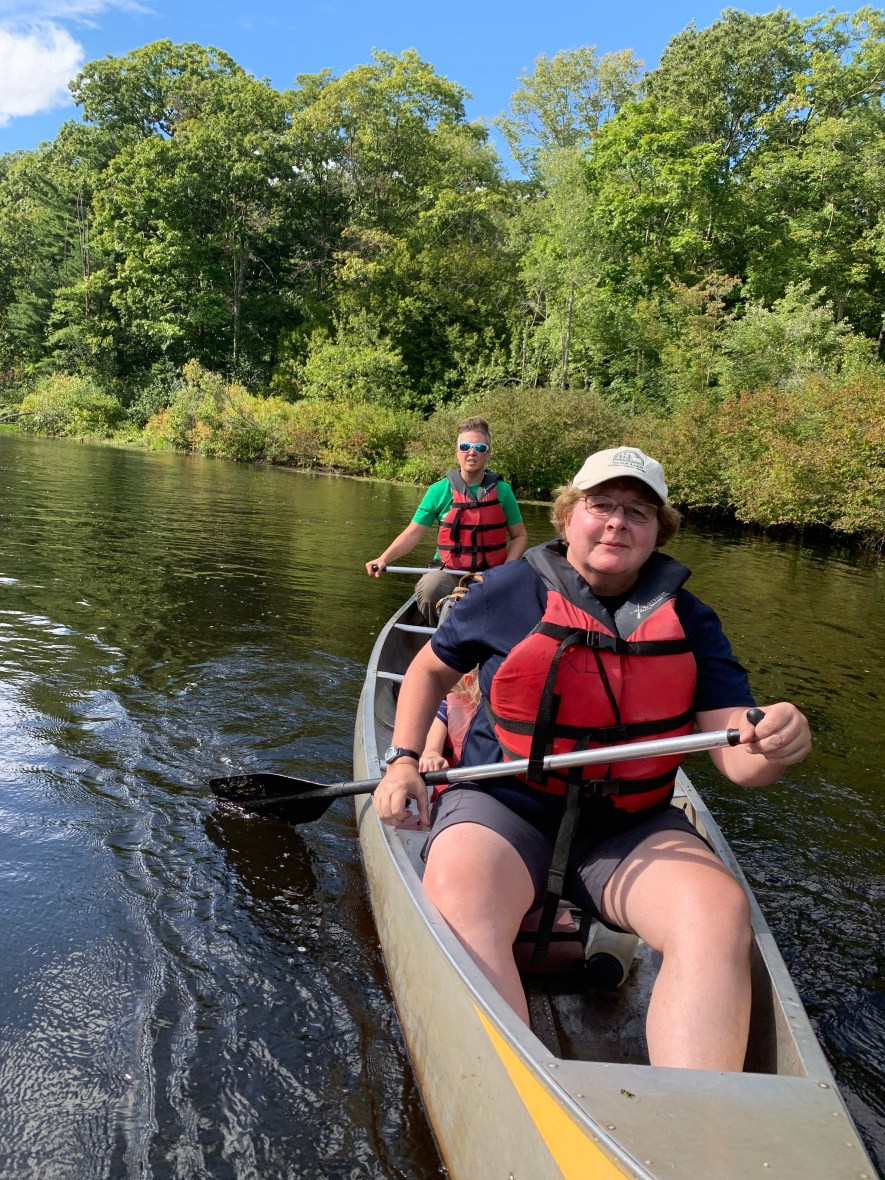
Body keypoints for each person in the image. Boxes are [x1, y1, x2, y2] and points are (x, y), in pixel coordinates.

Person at [372, 445, 812, 1072]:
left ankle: (695, 1112)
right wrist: (403, 759)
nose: (617, 523)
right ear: (567, 516)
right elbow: (429, 670)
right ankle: (508, 1089)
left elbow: (741, 763)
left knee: (717, 914)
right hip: (505, 809)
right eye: (601, 505)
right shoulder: (507, 591)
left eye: (638, 512)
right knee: (462, 895)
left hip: (629, 826)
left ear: (659, 531)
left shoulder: (691, 620)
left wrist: (774, 740)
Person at [365, 417, 528, 623]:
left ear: (488, 453)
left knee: (512, 594)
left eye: (480, 448)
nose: (472, 452)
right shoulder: (439, 491)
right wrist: (384, 558)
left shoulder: (503, 491)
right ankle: (441, 634)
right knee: (430, 587)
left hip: (491, 574)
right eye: (465, 447)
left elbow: (519, 536)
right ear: (457, 451)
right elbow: (412, 534)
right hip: (448, 572)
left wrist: (507, 568)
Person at [418, 669, 481, 776]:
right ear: (470, 682)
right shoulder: (445, 708)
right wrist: (432, 757)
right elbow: (431, 750)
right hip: (456, 781)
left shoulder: (506, 715)